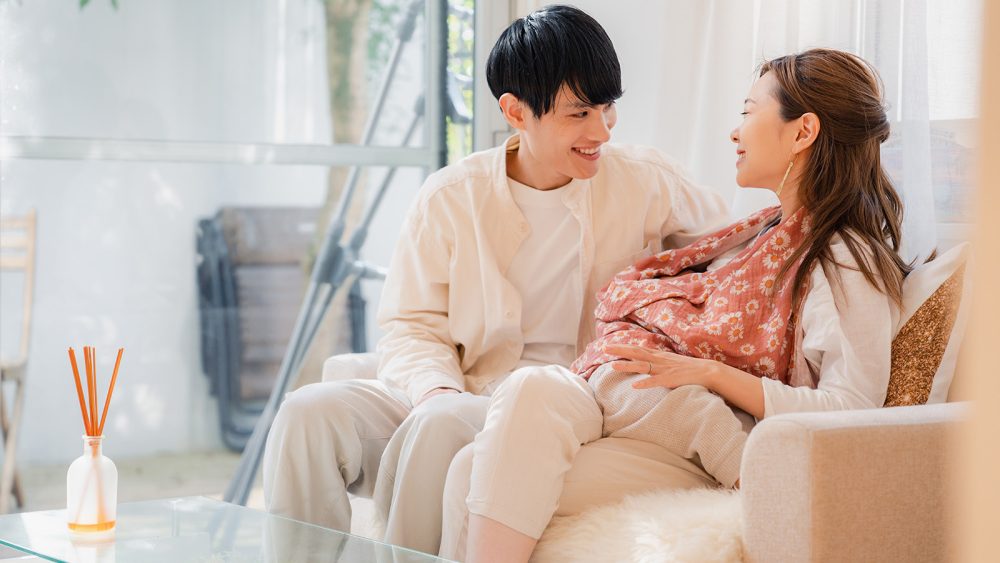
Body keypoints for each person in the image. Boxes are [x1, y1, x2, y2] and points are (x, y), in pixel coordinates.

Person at [260, 4, 729, 556]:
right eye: (578, 114)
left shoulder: (648, 182)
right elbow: (411, 324)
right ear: (514, 111)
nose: (600, 130)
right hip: (462, 383)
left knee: (443, 423)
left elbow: (736, 256)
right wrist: (435, 387)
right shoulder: (451, 196)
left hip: (566, 398)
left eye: (608, 108)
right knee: (307, 414)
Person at [454, 47, 912, 563]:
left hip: (709, 440)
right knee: (528, 388)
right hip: (629, 398)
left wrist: (710, 375)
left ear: (803, 132)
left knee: (470, 474)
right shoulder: (760, 233)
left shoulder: (843, 257)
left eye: (747, 112)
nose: (735, 132)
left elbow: (852, 411)